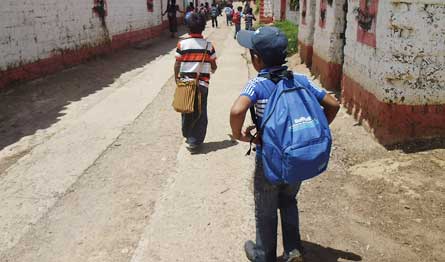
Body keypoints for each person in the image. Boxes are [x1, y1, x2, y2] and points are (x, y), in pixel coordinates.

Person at [230, 27, 340, 262]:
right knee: (289, 200)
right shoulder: (301, 80)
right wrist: (315, 132)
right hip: (295, 157)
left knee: (265, 207)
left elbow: (237, 110)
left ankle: (264, 255)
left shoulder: (256, 85)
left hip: (269, 159)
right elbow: (333, 104)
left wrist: (240, 135)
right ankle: (293, 251)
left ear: (257, 59)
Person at [175, 13, 218, 152]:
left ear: (187, 27)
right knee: (200, 112)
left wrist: (177, 78)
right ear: (204, 27)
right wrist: (211, 65)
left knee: (186, 110)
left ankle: (188, 136)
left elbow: (177, 64)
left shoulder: (182, 44)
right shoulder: (209, 46)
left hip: (186, 84)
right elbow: (214, 67)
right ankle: (195, 141)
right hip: (202, 85)